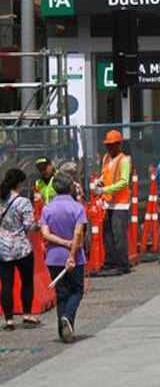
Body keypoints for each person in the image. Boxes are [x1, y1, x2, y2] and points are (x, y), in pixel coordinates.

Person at [40, 173, 86, 343]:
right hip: (75, 256)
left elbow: (45, 234)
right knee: (77, 290)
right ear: (70, 187)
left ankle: (63, 330)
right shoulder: (77, 208)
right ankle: (68, 317)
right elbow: (78, 232)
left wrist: (63, 243)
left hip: (54, 257)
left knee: (61, 294)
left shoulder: (47, 209)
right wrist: (71, 253)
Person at [0, 168, 39, 330]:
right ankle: (27, 315)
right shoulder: (23, 202)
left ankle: (8, 320)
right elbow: (29, 225)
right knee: (27, 282)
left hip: (3, 248)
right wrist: (40, 226)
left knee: (6, 285)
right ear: (18, 183)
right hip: (22, 248)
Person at [94, 129, 131, 276]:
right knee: (107, 235)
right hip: (108, 202)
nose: (109, 147)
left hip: (120, 204)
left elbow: (124, 182)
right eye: (108, 145)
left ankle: (122, 264)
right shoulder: (106, 159)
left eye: (112, 145)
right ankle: (110, 262)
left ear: (118, 145)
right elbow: (105, 175)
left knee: (118, 235)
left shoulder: (124, 160)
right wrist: (100, 181)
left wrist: (105, 189)